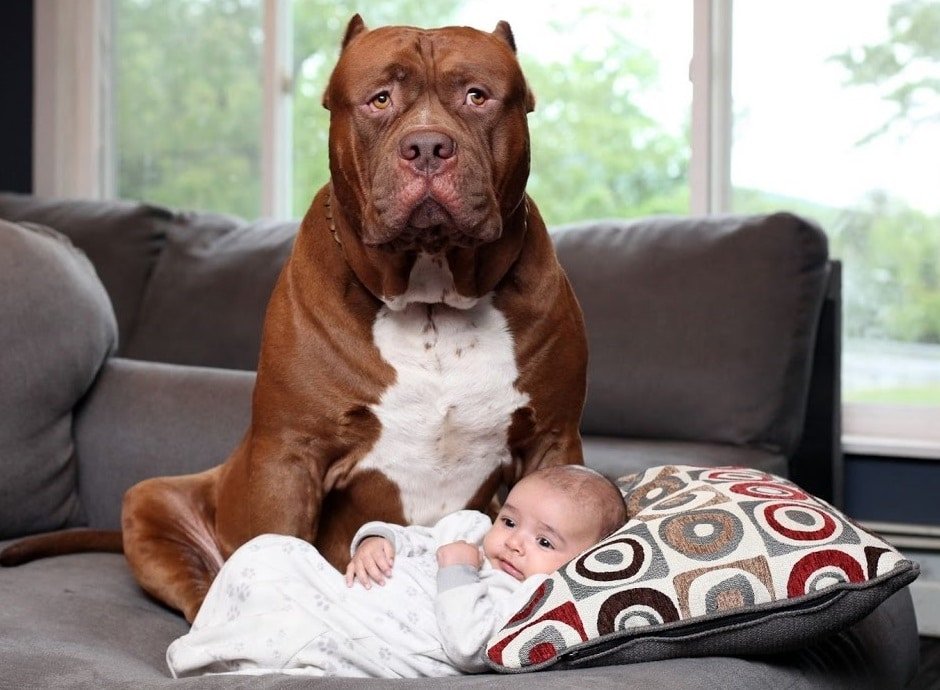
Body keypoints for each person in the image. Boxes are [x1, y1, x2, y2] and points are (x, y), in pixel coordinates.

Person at [166, 465, 627, 678]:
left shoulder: (529, 600)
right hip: (349, 591)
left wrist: (459, 575)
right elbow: (413, 536)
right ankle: (213, 631)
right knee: (269, 552)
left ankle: (211, 657)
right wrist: (376, 541)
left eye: (544, 542)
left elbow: (468, 646)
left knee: (295, 638)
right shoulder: (470, 528)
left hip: (370, 642)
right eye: (510, 520)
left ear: (582, 561)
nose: (514, 541)